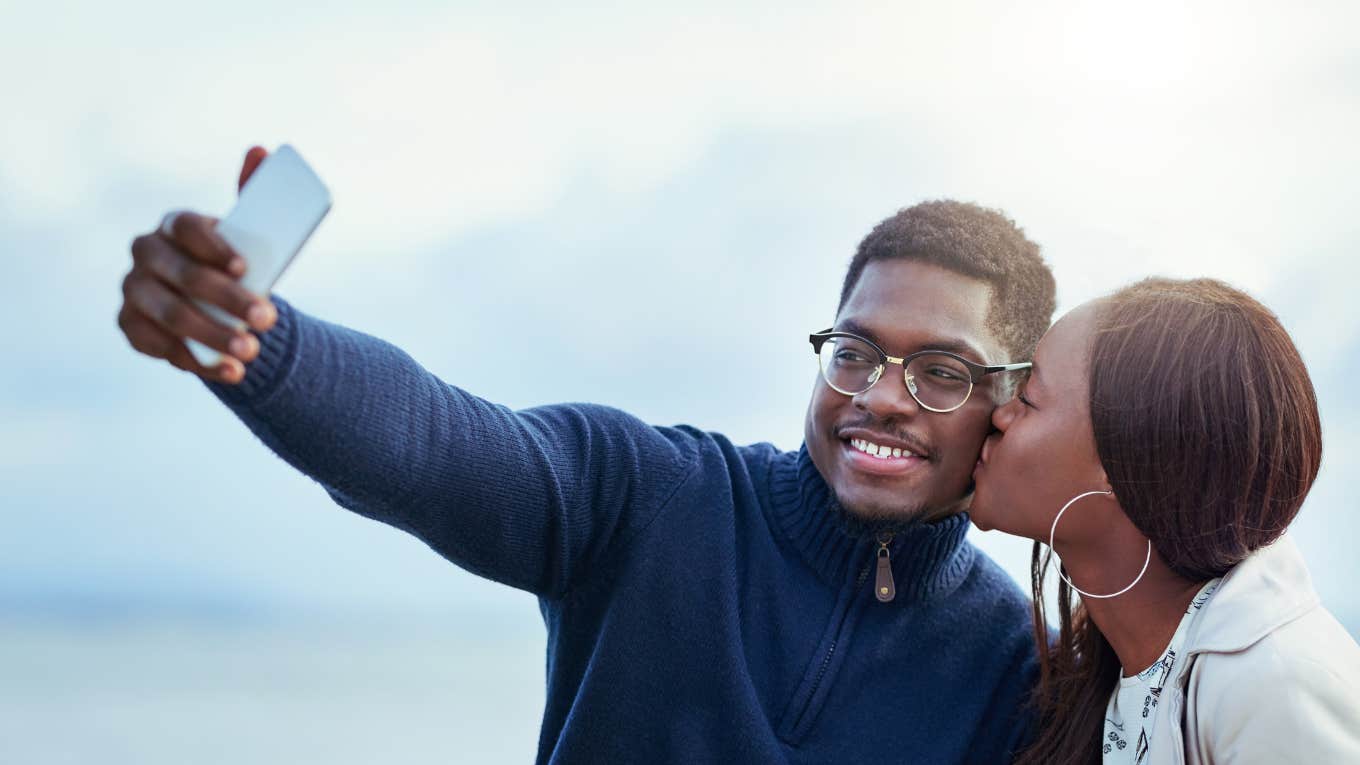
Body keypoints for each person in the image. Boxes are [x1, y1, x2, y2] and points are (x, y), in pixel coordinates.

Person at [119, 147, 1055, 763]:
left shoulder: (1013, 665)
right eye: (854, 352)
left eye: (941, 370)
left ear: (1009, 401)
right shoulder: (654, 496)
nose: (879, 394)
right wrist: (257, 342)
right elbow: (435, 445)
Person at [970, 277, 1360, 764]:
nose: (998, 414)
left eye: (1027, 397)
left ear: (1126, 463)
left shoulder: (1277, 690)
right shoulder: (1107, 669)